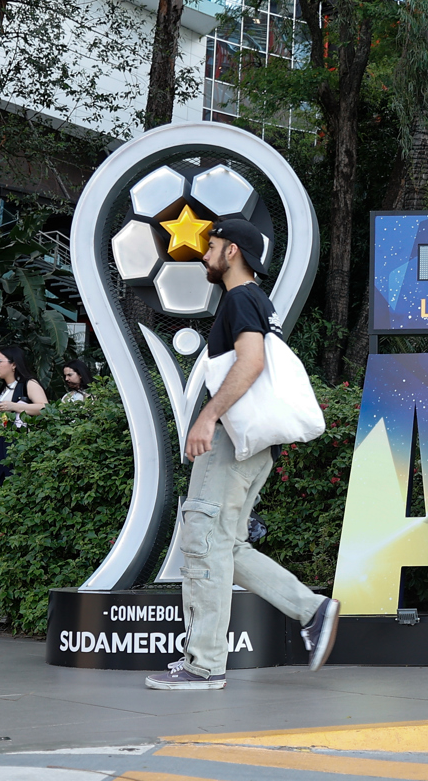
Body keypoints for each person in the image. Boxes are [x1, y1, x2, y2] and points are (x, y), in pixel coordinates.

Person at [145, 218, 339, 690]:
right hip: (253, 445)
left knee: (204, 540)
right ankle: (312, 610)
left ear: (232, 251)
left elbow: (251, 362)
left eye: (211, 244)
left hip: (232, 441)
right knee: (227, 545)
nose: (205, 252)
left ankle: (203, 664)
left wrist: (208, 417)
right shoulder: (257, 302)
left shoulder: (239, 298)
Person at [0, 345, 48, 499]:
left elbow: (45, 408)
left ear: (14, 364)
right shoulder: (3, 390)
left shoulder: (28, 384)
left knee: (16, 484)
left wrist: (15, 406)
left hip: (19, 441)